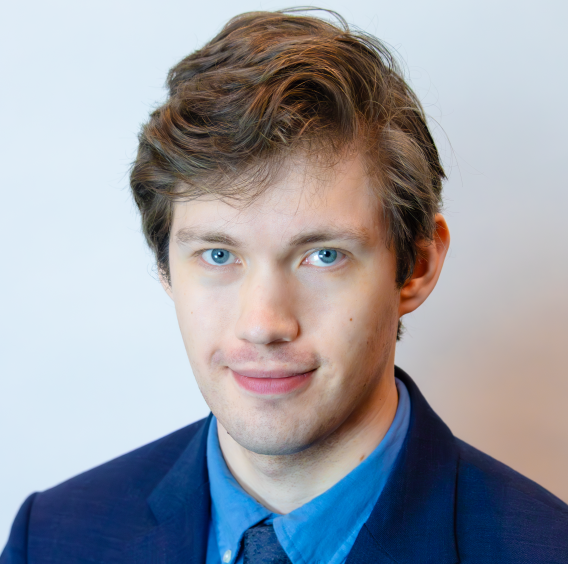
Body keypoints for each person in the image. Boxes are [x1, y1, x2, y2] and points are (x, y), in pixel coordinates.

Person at [2, 8, 567, 564]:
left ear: (415, 267)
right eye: (218, 255)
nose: (263, 325)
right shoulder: (51, 541)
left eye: (323, 256)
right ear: (165, 267)